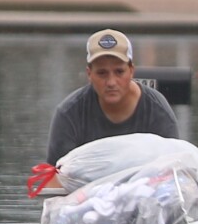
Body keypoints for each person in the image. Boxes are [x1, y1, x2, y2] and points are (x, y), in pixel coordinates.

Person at [46, 28, 179, 166]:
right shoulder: (68, 113)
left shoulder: (158, 111)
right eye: (102, 73)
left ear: (131, 71)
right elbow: (54, 177)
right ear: (89, 74)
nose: (111, 82)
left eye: (119, 72)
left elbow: (173, 171)